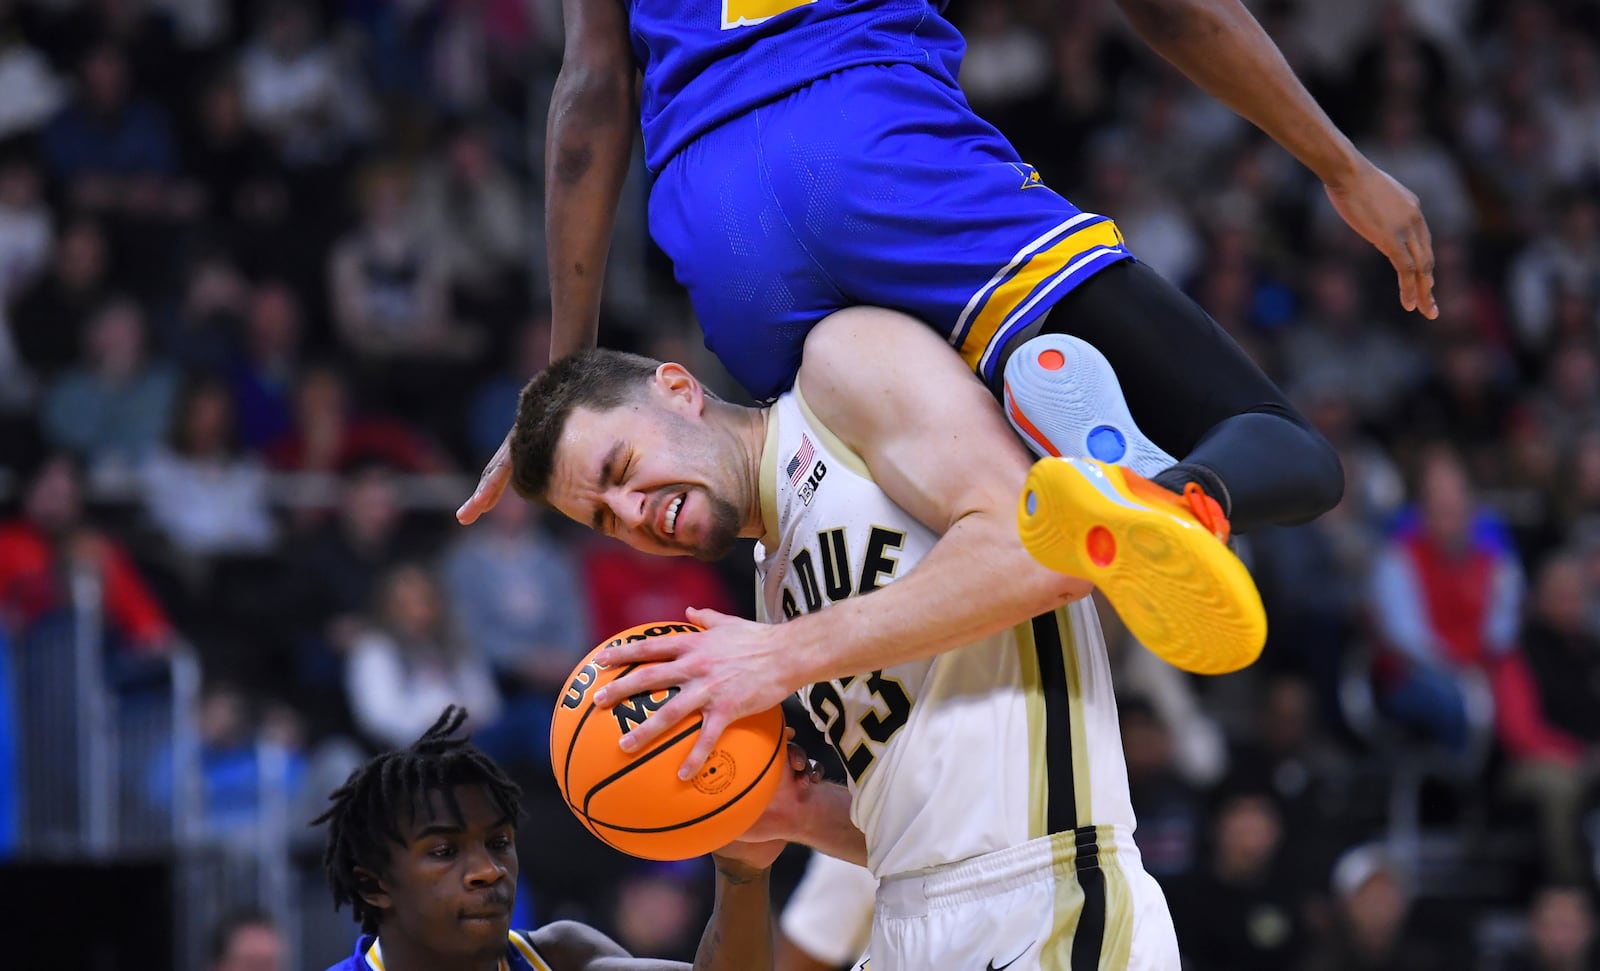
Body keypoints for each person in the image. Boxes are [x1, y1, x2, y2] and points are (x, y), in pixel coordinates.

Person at [460, 0, 1438, 606]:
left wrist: (565, 379)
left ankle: (1029, 420)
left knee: (891, 527)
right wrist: (1338, 161)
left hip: (720, 227)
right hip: (875, 147)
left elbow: (589, 93)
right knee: (1286, 449)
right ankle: (1160, 488)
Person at [510, 307, 1187, 968]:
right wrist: (793, 812)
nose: (632, 513)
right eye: (604, 517)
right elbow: (922, 834)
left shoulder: (840, 371)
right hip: (906, 916)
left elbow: (1048, 553)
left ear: (679, 389)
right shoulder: (772, 587)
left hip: (1048, 903)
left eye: (621, 467)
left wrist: (782, 653)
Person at [313, 705, 795, 971]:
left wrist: (742, 872)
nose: (488, 870)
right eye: (443, 851)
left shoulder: (561, 957)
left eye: (499, 843)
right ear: (375, 884)